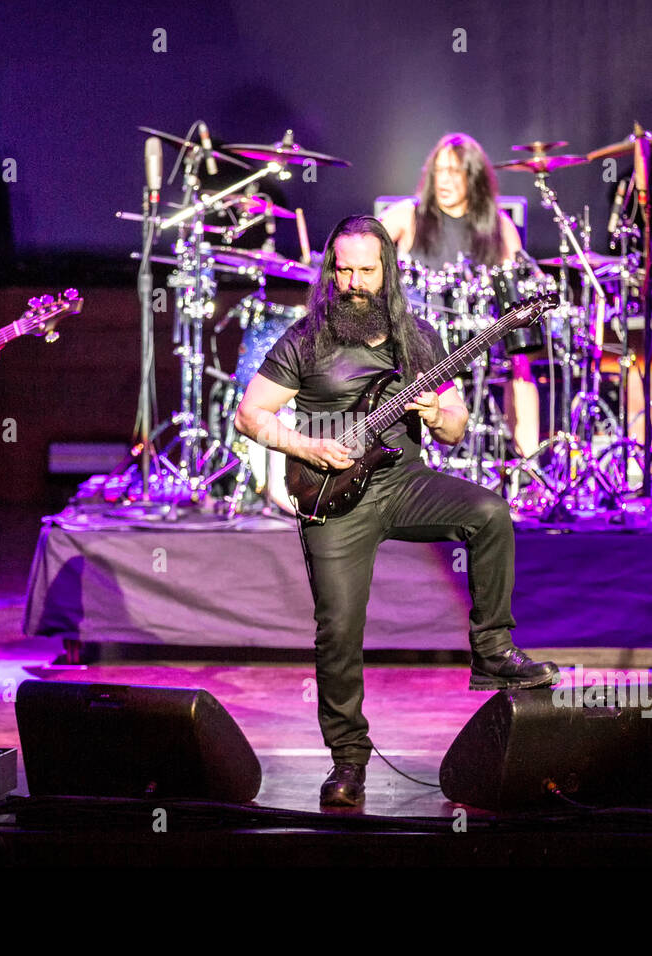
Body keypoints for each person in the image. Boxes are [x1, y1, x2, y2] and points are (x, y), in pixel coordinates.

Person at [235, 216, 559, 809]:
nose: (354, 282)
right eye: (343, 269)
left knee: (489, 513)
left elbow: (457, 429)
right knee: (338, 631)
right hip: (330, 493)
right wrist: (306, 447)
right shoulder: (305, 338)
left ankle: (491, 651)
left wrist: (439, 416)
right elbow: (251, 414)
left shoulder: (419, 337)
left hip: (403, 481)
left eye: (365, 270)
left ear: (387, 270)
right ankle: (348, 762)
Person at [380, 132, 541, 457]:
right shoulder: (407, 216)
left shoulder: (498, 225)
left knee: (521, 360)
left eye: (454, 172)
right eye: (439, 171)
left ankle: (530, 466)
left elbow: (514, 289)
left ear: (474, 177)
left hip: (476, 339)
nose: (444, 180)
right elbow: (364, 249)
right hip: (418, 340)